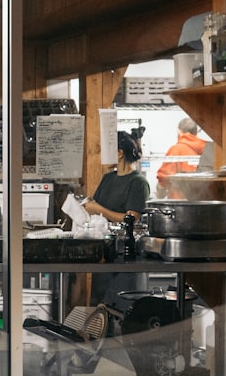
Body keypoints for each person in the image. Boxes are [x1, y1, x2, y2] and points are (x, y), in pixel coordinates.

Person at [83, 130, 151, 305]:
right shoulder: (108, 178)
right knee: (100, 312)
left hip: (126, 255)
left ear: (120, 153)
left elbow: (131, 218)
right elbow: (94, 205)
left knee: (124, 309)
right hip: (105, 253)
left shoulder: (138, 182)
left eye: (107, 151)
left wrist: (98, 209)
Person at [156, 118, 205, 199]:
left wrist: (160, 192)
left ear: (179, 131)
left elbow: (164, 178)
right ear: (196, 133)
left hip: (180, 205)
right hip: (203, 203)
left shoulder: (176, 150)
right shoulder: (207, 149)